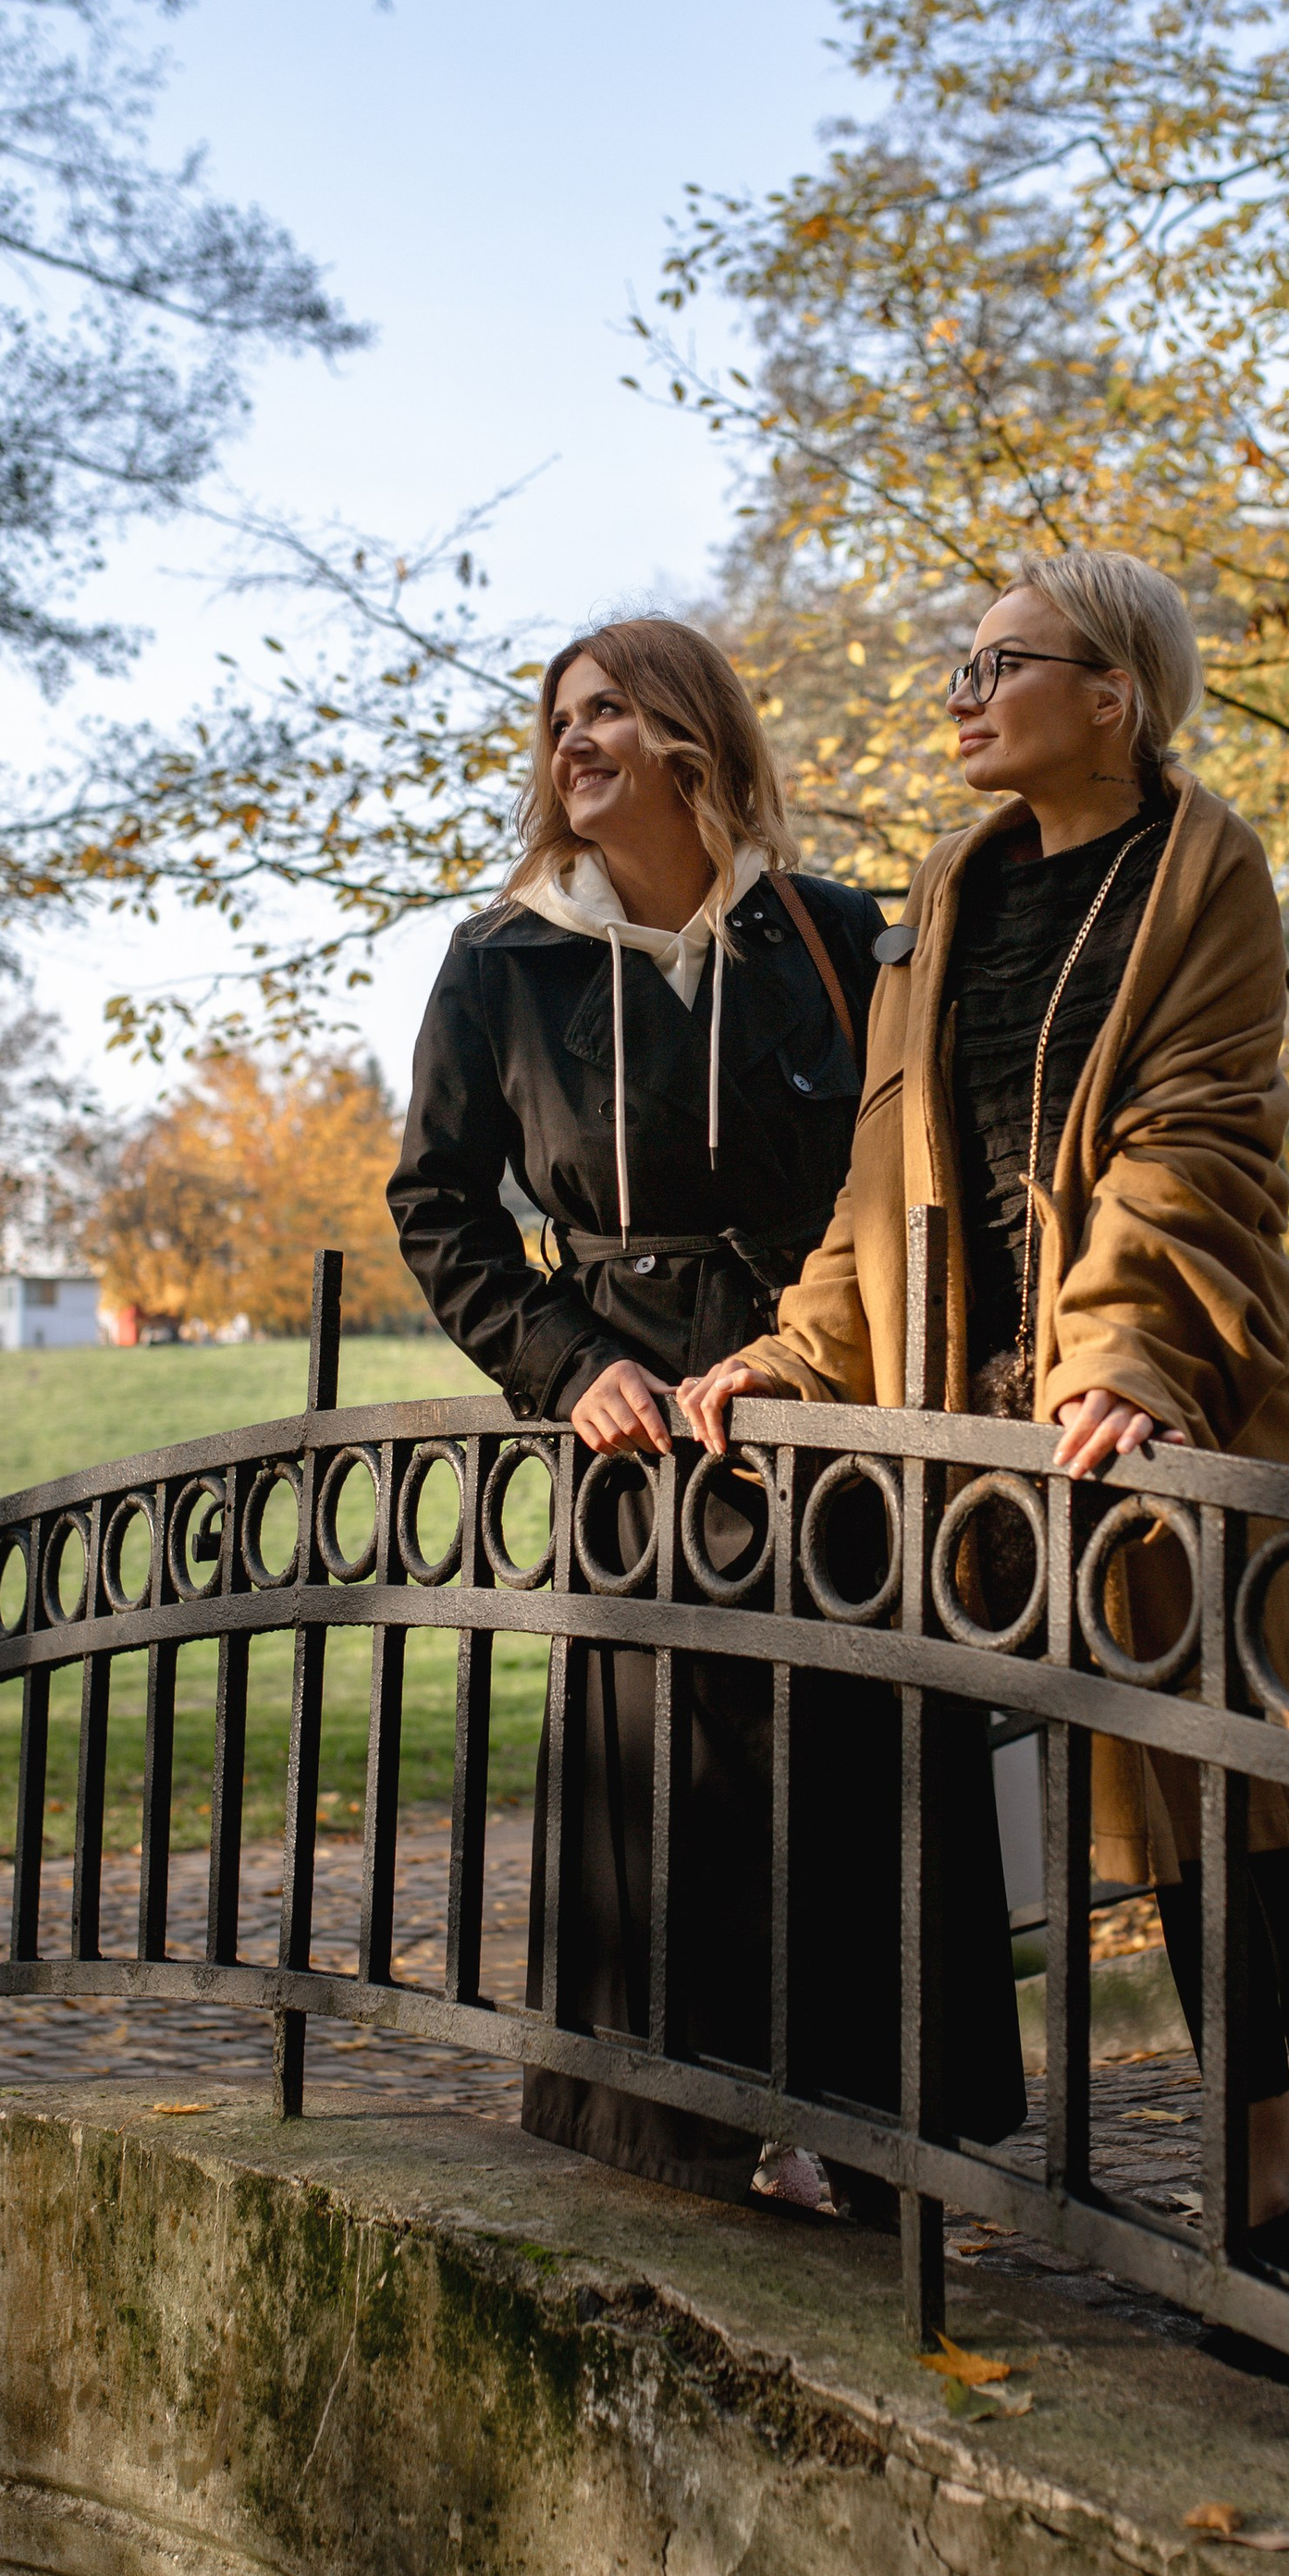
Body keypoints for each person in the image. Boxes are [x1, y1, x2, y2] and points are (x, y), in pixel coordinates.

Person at [686, 551, 1289, 2311]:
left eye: (1001, 661)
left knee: (1270, 1798)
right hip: (1005, 1435)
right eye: (959, 660)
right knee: (1163, 1807)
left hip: (1172, 1409)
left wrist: (1115, 1359)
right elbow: (884, 1177)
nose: (962, 687)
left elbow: (1196, 1138)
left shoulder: (1208, 866)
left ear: (1114, 694)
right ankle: (1248, 2185)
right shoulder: (943, 896)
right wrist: (791, 1360)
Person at [387, 616, 1019, 2203]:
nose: (572, 743)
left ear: (690, 732)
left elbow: (916, 1179)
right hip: (641, 1430)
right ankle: (681, 2148)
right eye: (559, 721)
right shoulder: (499, 963)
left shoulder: (833, 936)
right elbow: (439, 1208)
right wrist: (565, 1365)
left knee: (869, 1763)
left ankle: (888, 2150)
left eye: (608, 711)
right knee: (674, 1791)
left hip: (837, 1412)